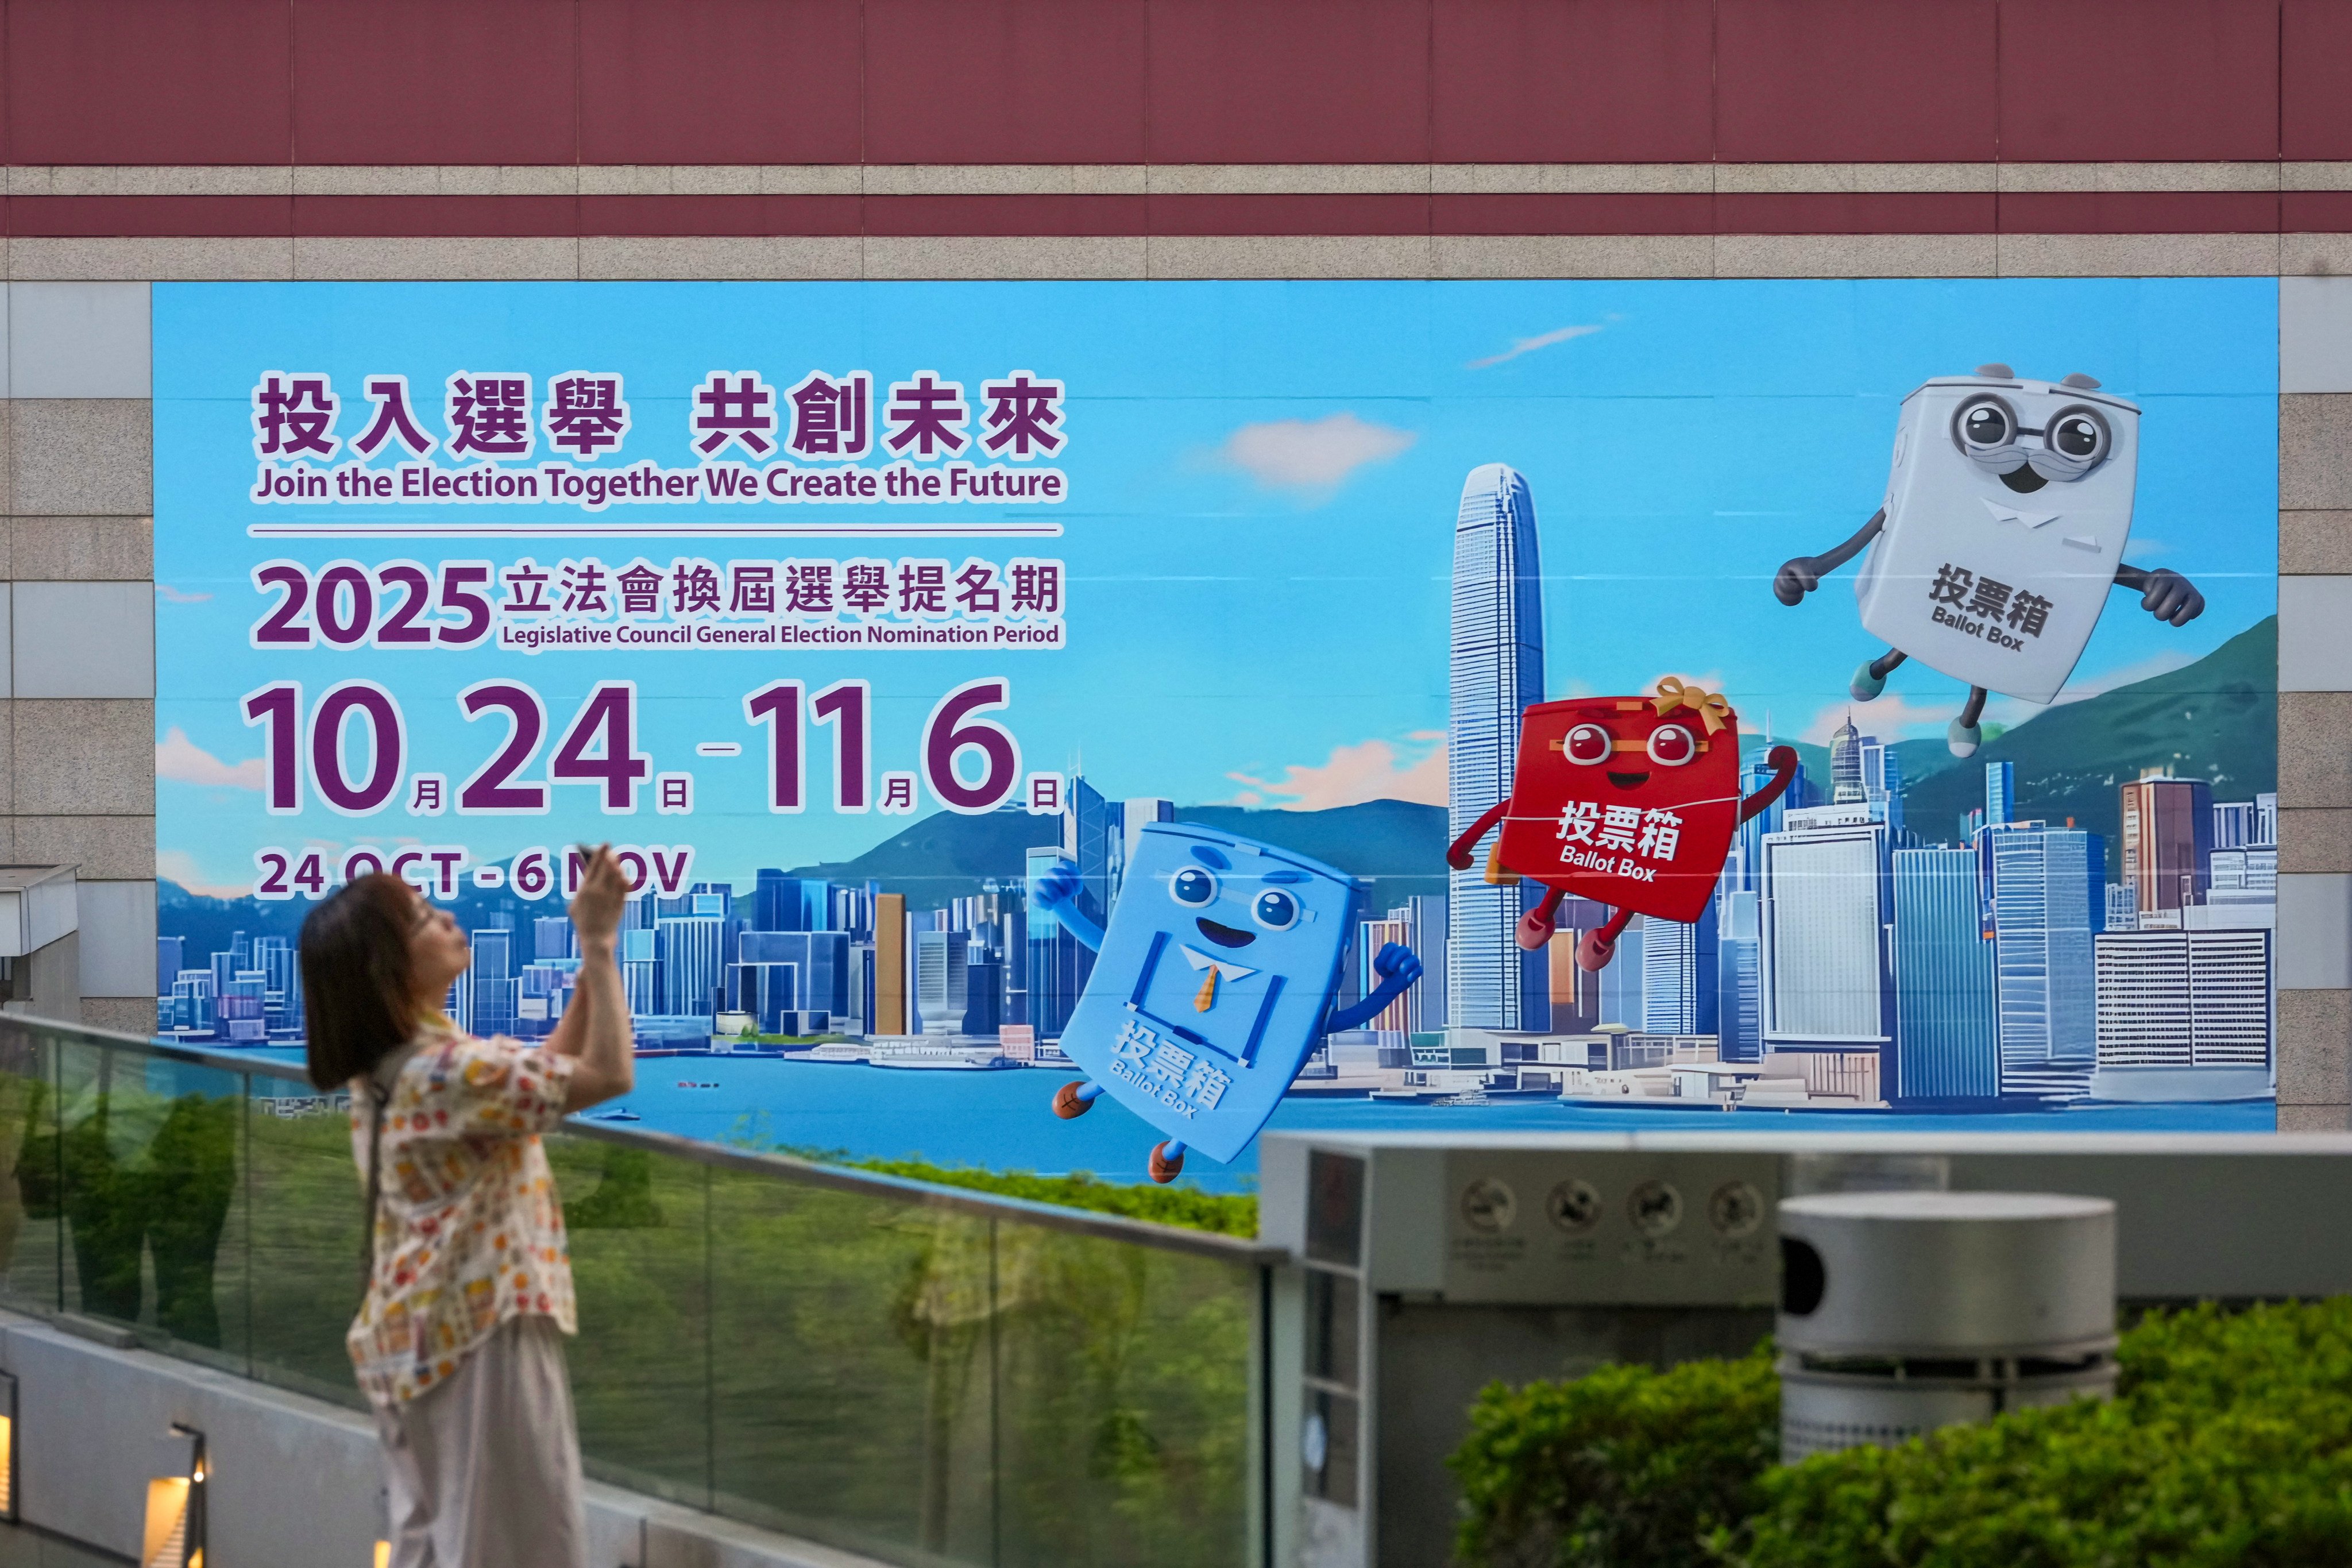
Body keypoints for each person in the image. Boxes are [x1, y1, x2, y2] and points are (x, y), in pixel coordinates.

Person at [299, 847, 634, 1568]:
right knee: (513, 1549)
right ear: (391, 969)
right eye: (422, 917)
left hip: (411, 1339)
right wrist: (602, 943)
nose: (446, 917)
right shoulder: (444, 1074)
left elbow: (536, 1088)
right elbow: (608, 1073)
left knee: (436, 1547)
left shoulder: (395, 1071)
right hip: (478, 1335)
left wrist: (585, 966)